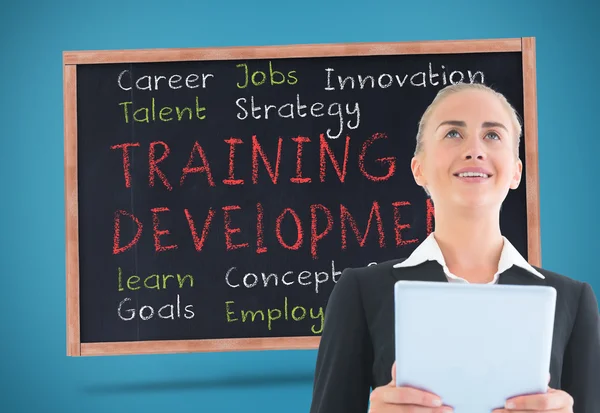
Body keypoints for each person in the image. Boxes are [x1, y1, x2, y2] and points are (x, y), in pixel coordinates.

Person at [309, 82, 600, 413]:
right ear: (419, 169)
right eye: (452, 134)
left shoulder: (573, 301)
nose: (474, 149)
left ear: (517, 172)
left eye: (492, 135)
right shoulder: (360, 292)